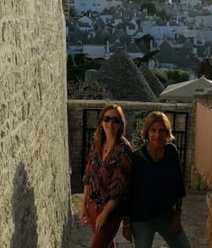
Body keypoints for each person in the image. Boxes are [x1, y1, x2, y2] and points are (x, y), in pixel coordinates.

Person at [122, 111, 191, 248]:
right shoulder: (137, 159)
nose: (157, 135)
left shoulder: (171, 152)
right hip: (141, 219)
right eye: (153, 130)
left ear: (167, 133)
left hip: (166, 215)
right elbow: (127, 193)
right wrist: (127, 223)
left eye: (161, 131)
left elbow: (178, 183)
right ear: (147, 132)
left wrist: (178, 213)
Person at [80, 104, 132, 248]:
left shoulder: (124, 150)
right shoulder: (97, 144)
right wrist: (84, 204)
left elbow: (119, 189)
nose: (110, 123)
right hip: (92, 205)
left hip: (111, 212)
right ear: (101, 122)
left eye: (115, 120)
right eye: (107, 119)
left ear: (121, 124)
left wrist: (104, 214)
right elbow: (88, 176)